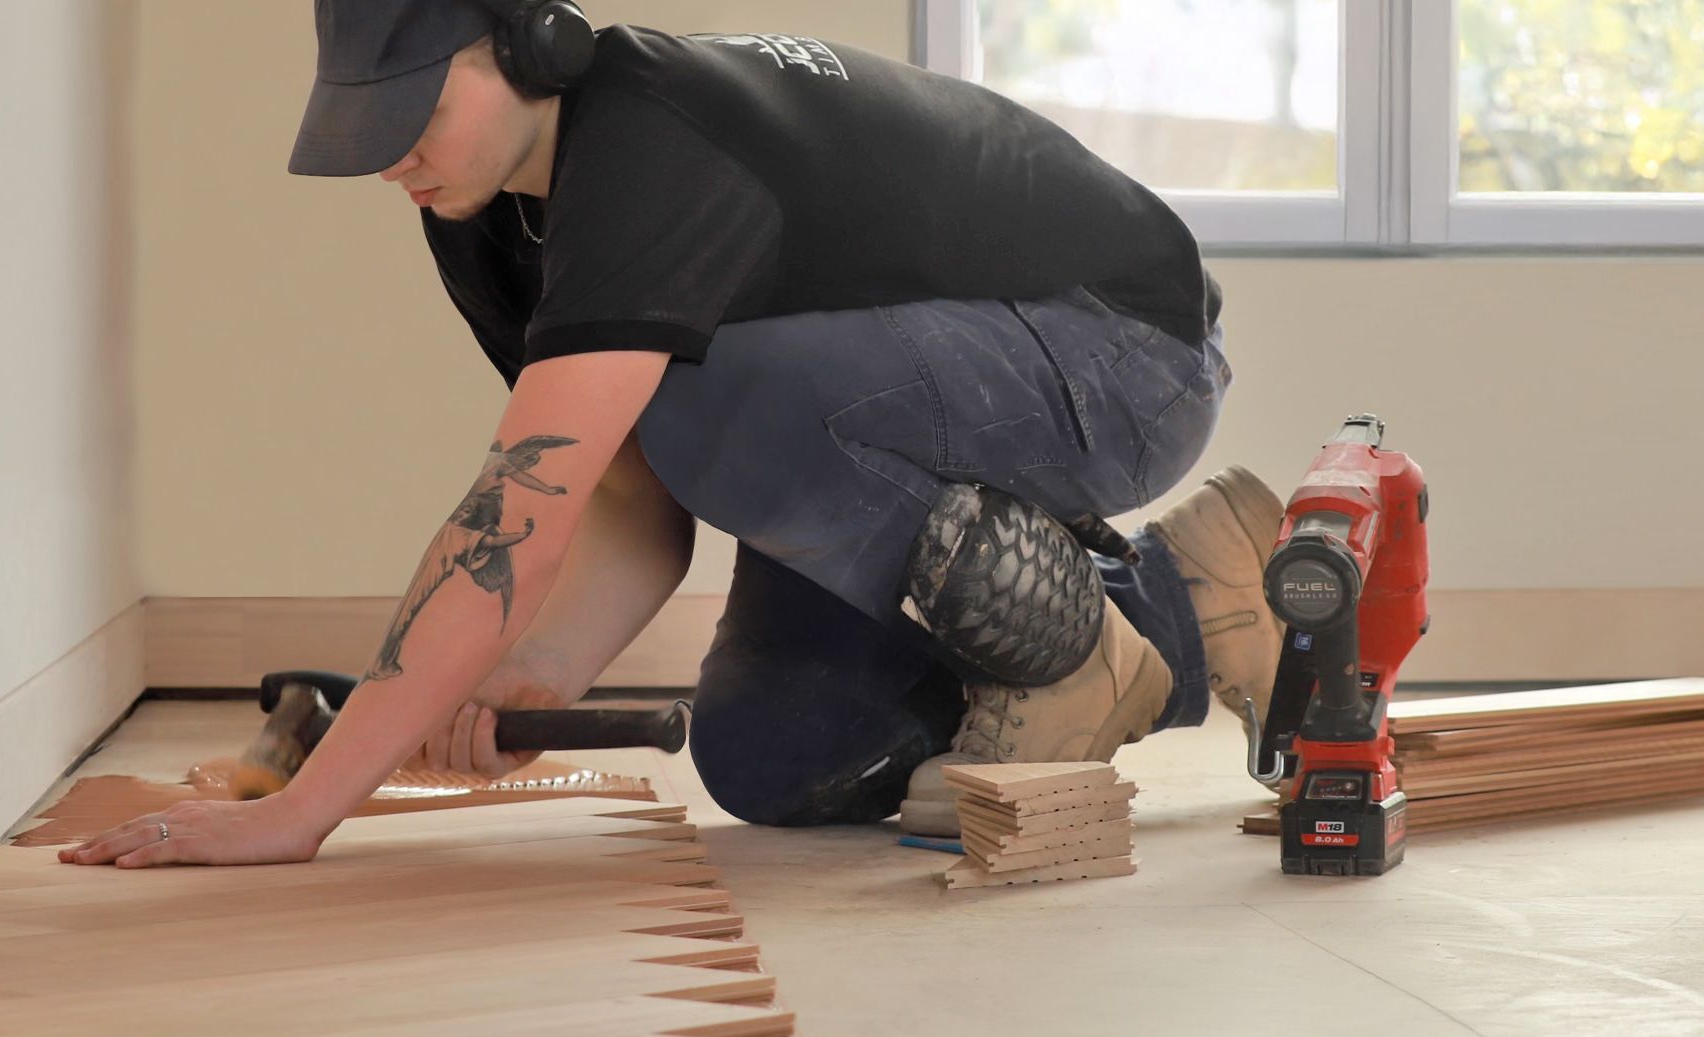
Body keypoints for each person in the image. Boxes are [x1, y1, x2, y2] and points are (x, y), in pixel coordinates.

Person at [64, 0, 1287, 868]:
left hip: (1125, 354)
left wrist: (306, 811)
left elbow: (518, 514)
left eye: (411, 110)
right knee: (772, 757)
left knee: (706, 390)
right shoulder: (482, 211)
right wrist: (531, 676)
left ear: (529, 40)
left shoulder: (650, 140)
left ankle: (1076, 658)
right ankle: (1182, 602)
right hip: (924, 396)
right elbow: (628, 494)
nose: (391, 157)